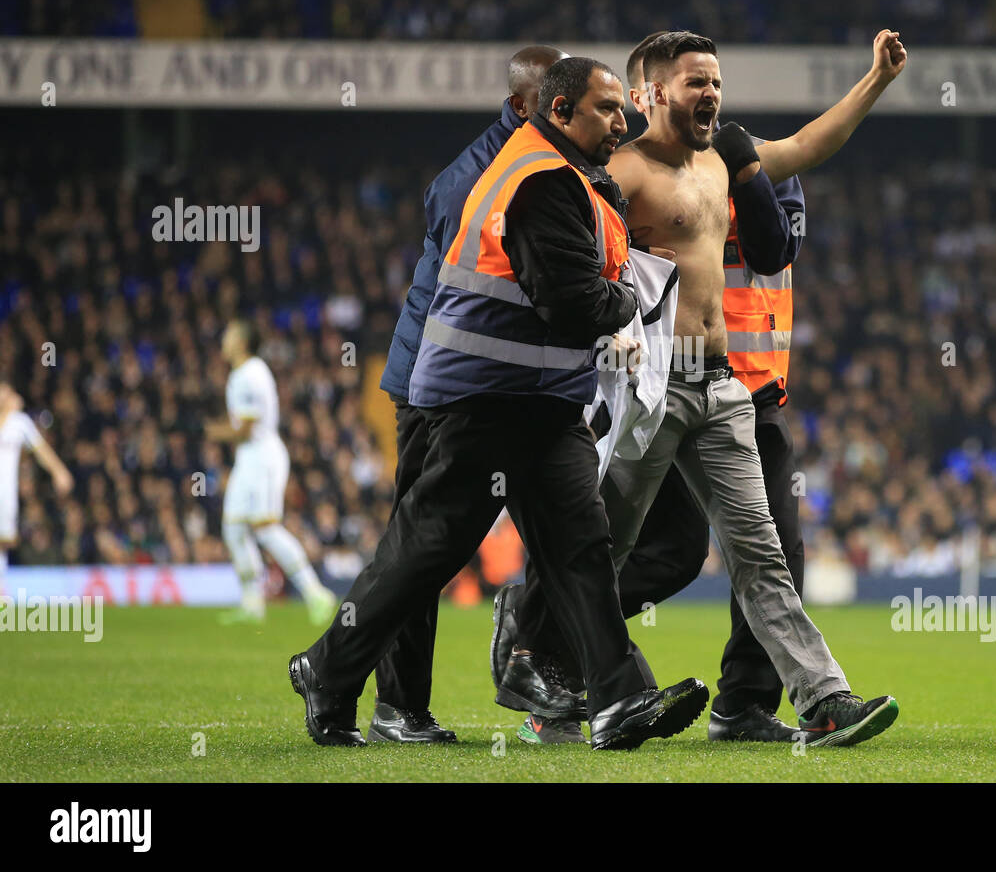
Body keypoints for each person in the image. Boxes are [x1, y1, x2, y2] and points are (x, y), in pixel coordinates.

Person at [497, 27, 910, 744]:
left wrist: (876, 80)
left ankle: (823, 699)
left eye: (716, 81)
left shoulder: (722, 163)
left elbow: (811, 145)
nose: (711, 93)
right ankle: (548, 678)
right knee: (606, 552)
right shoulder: (619, 176)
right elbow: (563, 263)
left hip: (721, 389)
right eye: (696, 81)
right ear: (651, 93)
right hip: (649, 388)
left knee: (763, 555)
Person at [289, 56, 709, 751]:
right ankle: (329, 668)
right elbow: (570, 301)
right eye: (607, 109)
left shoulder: (553, 169)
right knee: (430, 545)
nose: (623, 121)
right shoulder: (540, 180)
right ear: (560, 110)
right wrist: (630, 297)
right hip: (480, 393)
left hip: (540, 400)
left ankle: (616, 701)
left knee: (581, 545)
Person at [369, 45, 569, 744]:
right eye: (559, 98)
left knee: (563, 536)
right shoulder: (474, 180)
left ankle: (563, 691)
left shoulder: (536, 163)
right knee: (424, 545)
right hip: (442, 385)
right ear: (523, 107)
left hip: (504, 386)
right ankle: (392, 703)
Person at [205, 321, 337, 626]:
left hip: (263, 458)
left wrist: (212, 431)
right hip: (248, 459)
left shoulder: (251, 373)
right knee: (234, 528)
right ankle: (252, 605)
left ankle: (316, 593)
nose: (223, 339)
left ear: (241, 341)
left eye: (229, 334)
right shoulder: (241, 373)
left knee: (265, 528)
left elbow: (247, 428)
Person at [0, 381, 74, 591]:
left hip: (6, 495)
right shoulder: (8, 417)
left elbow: (41, 449)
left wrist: (59, 471)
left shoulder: (19, 422)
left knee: (4, 542)